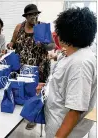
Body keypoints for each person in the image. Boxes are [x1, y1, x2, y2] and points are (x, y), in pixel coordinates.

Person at [44, 7, 97, 138]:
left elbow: (75, 110)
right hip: (56, 122)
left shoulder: (80, 63)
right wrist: (48, 87)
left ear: (67, 34)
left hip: (63, 132)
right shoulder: (72, 53)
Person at [7, 4, 54, 130]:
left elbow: (52, 46)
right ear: (26, 16)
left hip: (39, 67)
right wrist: (10, 45)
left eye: (36, 14)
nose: (34, 17)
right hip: (22, 66)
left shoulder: (42, 27)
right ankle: (20, 113)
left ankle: (32, 118)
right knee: (23, 89)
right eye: (31, 14)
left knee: (36, 93)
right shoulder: (19, 27)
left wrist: (45, 44)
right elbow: (13, 42)